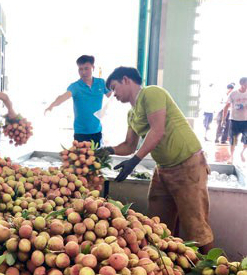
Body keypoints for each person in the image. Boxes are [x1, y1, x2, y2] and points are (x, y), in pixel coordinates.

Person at [102, 66, 214, 253]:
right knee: (158, 226)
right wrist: (107, 150)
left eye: (114, 87)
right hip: (164, 169)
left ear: (126, 80)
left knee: (196, 226)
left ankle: (214, 272)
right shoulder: (132, 113)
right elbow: (129, 145)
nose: (113, 94)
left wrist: (134, 161)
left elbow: (158, 130)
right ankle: (171, 267)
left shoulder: (151, 93)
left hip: (187, 165)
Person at [44, 55, 111, 145]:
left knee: (96, 158)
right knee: (81, 158)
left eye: (86, 68)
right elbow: (62, 97)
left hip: (97, 131)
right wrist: (51, 106)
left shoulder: (101, 83)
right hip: (80, 133)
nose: (83, 72)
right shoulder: (75, 86)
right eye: (80, 69)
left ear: (93, 68)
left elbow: (113, 96)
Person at [222, 77, 247, 163]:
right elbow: (226, 107)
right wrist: (223, 120)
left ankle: (242, 153)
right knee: (233, 140)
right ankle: (231, 157)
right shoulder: (233, 94)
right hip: (234, 120)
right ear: (242, 84)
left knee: (246, 140)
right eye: (246, 84)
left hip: (246, 121)